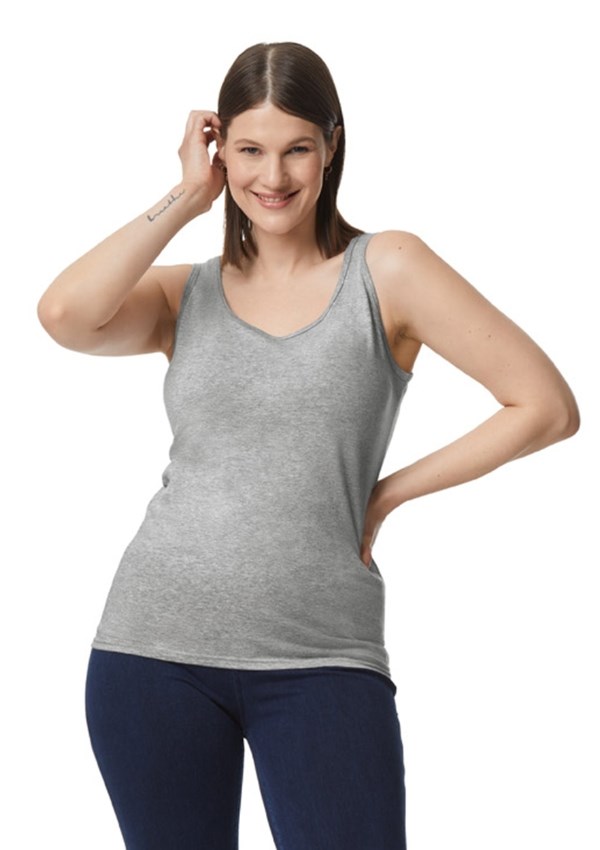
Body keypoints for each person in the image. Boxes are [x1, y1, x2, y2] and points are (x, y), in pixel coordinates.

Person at [37, 41, 579, 850]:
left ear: (332, 146)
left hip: (323, 654)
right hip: (152, 651)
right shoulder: (184, 294)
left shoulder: (387, 269)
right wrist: (186, 196)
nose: (274, 176)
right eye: (249, 150)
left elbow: (545, 406)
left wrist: (386, 493)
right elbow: (64, 316)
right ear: (221, 154)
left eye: (296, 148)